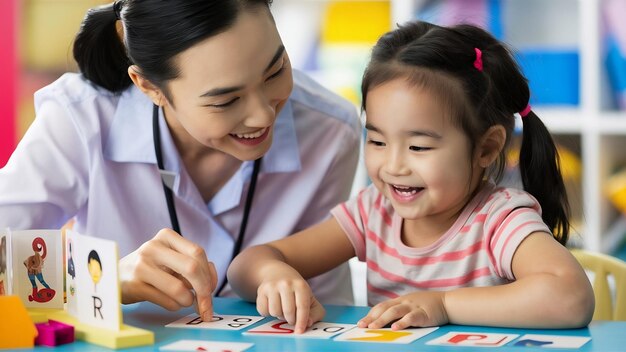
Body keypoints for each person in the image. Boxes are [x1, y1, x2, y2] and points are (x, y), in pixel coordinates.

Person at [0, 0, 361, 321]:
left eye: (276, 70)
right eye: (225, 101)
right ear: (149, 87)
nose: (264, 115)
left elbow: (329, 310)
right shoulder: (82, 119)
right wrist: (104, 279)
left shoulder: (330, 132)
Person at [228, 20, 595, 333]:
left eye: (418, 147)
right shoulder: (375, 212)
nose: (393, 166)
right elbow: (245, 267)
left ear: (486, 148)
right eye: (376, 140)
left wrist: (444, 305)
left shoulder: (499, 220)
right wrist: (274, 273)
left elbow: (571, 296)